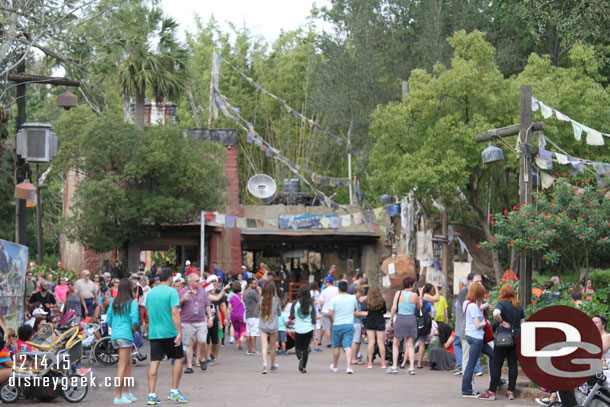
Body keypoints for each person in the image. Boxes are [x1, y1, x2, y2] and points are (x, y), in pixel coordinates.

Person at [146, 268, 187, 404]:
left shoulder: (151, 293)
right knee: (179, 358)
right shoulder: (172, 292)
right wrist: (179, 332)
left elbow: (147, 312)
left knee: (154, 362)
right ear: (170, 278)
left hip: (154, 332)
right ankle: (174, 391)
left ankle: (151, 394)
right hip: (169, 331)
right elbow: (175, 313)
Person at [479, 284, 525, 400]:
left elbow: (495, 313)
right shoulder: (518, 307)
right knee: (513, 365)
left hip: (502, 339)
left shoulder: (502, 304)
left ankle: (492, 391)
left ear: (503, 293)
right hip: (515, 339)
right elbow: (523, 324)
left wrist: (502, 322)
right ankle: (511, 391)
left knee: (497, 365)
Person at [106, 278, 139, 405]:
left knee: (128, 363)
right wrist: (133, 331)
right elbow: (135, 320)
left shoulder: (113, 302)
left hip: (115, 336)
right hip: (126, 336)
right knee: (122, 365)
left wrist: (116, 328)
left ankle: (125, 392)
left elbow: (108, 320)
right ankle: (118, 396)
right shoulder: (131, 303)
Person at [461, 282, 494, 398]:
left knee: (493, 355)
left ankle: (495, 381)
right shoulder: (473, 306)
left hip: (470, 335)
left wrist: (481, 307)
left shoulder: (466, 303)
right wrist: (486, 323)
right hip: (476, 337)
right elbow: (477, 325)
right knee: (471, 364)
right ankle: (466, 390)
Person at [328, 280, 365, 374]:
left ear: (338, 289)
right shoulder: (352, 298)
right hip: (349, 324)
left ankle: (335, 366)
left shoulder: (334, 299)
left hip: (337, 324)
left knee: (337, 347)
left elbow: (330, 314)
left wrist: (332, 321)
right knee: (348, 346)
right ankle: (348, 367)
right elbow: (356, 311)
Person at [179, 273, 213, 374]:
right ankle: (190, 365)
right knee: (189, 344)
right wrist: (182, 300)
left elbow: (207, 305)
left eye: (199, 281)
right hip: (187, 322)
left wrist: (210, 318)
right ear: (190, 282)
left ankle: (202, 358)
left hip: (201, 320)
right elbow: (177, 306)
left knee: (202, 340)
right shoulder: (183, 291)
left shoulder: (202, 291)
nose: (199, 282)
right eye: (197, 281)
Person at [387, 277, 422, 375]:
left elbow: (394, 307)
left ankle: (394, 366)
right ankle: (411, 367)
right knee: (410, 344)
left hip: (400, 318)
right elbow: (419, 307)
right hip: (411, 319)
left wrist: (391, 318)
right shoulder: (415, 295)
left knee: (396, 343)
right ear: (411, 285)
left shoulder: (398, 293)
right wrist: (421, 296)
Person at [455, 273, 484, 376]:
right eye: (477, 281)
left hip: (477, 331)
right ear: (470, 282)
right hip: (466, 330)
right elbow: (468, 311)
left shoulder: (478, 293)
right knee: (467, 357)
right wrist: (482, 307)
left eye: (481, 281)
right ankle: (467, 384)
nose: (480, 283)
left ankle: (478, 372)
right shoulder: (464, 293)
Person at [290, 286, 317, 373]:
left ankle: (300, 359)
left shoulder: (295, 303)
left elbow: (291, 316)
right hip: (308, 329)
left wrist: (297, 318)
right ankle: (304, 368)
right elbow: (313, 319)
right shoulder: (311, 304)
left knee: (298, 348)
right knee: (305, 348)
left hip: (298, 329)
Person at [259, 281, 281, 374]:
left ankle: (264, 365)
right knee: (272, 347)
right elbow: (279, 313)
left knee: (264, 346)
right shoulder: (276, 300)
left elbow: (258, 312)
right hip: (273, 326)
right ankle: (272, 364)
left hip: (263, 325)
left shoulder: (261, 299)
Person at [416, 283, 439, 369]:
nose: (433, 291)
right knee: (421, 343)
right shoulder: (426, 296)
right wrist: (437, 289)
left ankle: (404, 362)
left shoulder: (424, 297)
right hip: (424, 321)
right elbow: (437, 299)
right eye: (432, 289)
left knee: (412, 343)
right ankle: (418, 363)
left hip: (421, 321)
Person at [364, 286, 387, 369]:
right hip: (379, 321)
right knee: (381, 342)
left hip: (370, 321)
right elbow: (384, 311)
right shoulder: (382, 301)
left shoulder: (368, 301)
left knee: (371, 342)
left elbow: (366, 310)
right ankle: (383, 362)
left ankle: (370, 362)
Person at [319, 276, 339, 349]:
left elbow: (321, 302)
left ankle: (329, 342)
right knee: (335, 326)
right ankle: (337, 341)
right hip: (335, 311)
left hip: (325, 311)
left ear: (327, 282)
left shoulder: (324, 291)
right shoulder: (337, 289)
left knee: (326, 327)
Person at [243, 277, 261, 355]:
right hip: (254, 314)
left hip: (248, 314)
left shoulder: (246, 292)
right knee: (253, 333)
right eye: (254, 283)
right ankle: (253, 349)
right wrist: (259, 291)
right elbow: (260, 300)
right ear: (250, 284)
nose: (256, 285)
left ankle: (248, 349)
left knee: (248, 333)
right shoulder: (253, 292)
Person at [228, 282, 246, 349]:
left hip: (233, 316)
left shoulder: (232, 298)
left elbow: (229, 308)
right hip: (242, 315)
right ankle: (241, 338)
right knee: (243, 329)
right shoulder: (243, 296)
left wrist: (227, 317)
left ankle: (238, 343)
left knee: (236, 330)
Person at [350, 286, 365, 366]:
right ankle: (353, 358)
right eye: (361, 293)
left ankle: (355, 357)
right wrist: (366, 313)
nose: (361, 295)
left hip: (357, 322)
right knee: (355, 341)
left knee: (358, 341)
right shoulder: (354, 300)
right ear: (358, 292)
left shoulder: (355, 299)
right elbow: (356, 313)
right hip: (355, 322)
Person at [310, 282, 323, 352]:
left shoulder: (310, 292)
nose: (317, 301)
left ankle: (307, 346)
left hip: (315, 324)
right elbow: (314, 317)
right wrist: (320, 316)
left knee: (314, 336)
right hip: (315, 324)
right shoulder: (318, 291)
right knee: (315, 335)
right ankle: (316, 347)